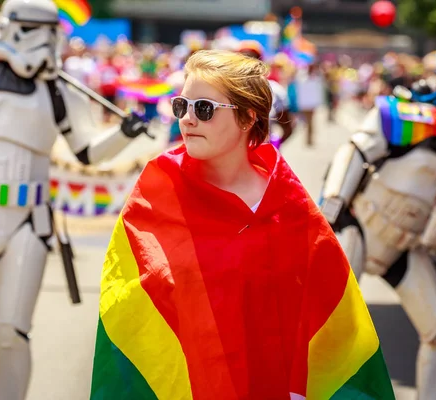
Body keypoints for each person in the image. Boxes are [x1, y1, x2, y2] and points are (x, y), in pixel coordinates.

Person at [90, 50, 394, 399]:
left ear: (248, 117)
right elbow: (127, 309)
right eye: (180, 106)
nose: (187, 120)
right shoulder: (157, 192)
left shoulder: (290, 207)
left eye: (203, 108)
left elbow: (333, 320)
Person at [0, 0, 150, 398]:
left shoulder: (60, 93)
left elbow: (86, 153)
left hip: (27, 222)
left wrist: (123, 134)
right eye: (30, 30)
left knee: (12, 331)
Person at [319, 50, 436, 399]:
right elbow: (355, 150)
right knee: (327, 323)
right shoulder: (412, 118)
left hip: (404, 248)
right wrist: (330, 212)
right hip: (356, 226)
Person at [237, 40, 294, 146]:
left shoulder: (275, 90)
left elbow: (287, 127)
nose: (248, 63)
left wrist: (273, 147)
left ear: (260, 61)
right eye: (243, 58)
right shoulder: (226, 90)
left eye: (252, 57)